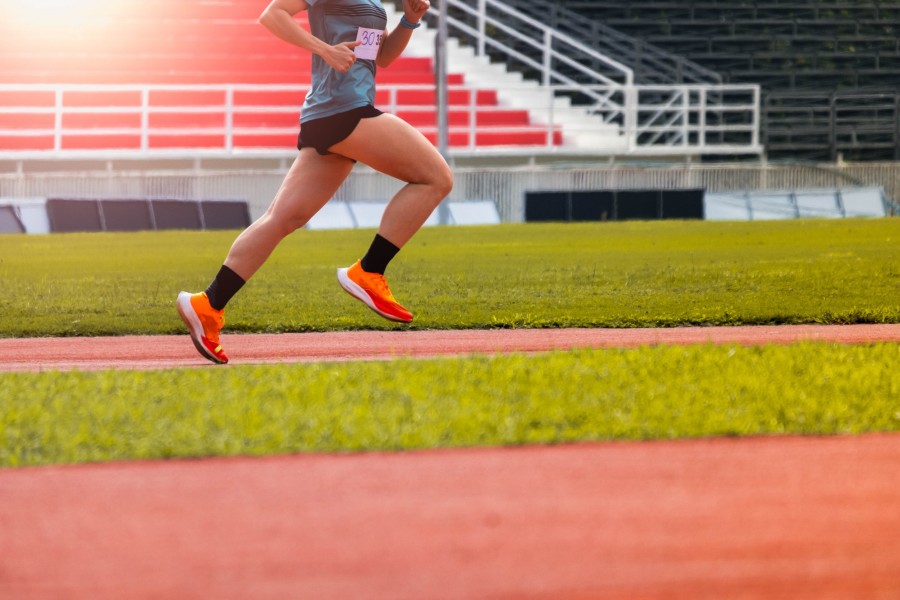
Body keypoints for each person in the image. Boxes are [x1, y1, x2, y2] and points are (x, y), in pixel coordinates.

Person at [177, 0, 453, 364]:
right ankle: (369, 271)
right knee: (435, 179)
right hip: (345, 110)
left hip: (332, 113)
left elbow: (379, 57)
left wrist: (410, 20)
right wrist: (324, 49)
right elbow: (272, 15)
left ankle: (208, 304)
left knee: (282, 219)